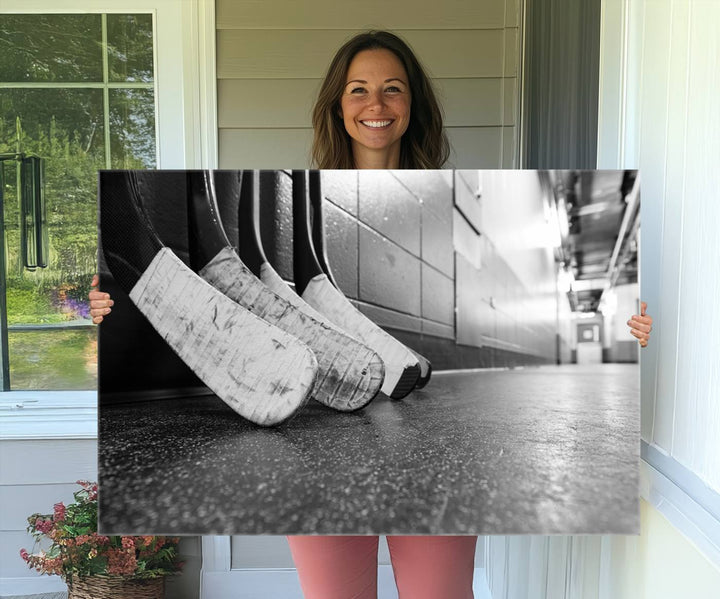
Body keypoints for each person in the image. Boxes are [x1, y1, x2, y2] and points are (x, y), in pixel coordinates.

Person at [89, 30, 654, 599]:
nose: (376, 105)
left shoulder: (465, 174)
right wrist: (87, 311)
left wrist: (645, 329)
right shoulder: (298, 177)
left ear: (413, 105)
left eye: (393, 90)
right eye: (358, 90)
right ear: (339, 105)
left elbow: (655, 333)